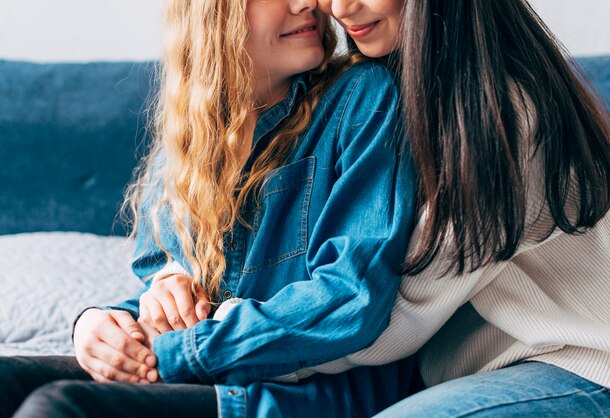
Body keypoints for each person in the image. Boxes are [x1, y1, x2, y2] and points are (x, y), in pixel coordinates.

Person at [0, 0, 420, 417]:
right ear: (211, 13)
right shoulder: (188, 145)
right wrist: (99, 327)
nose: (306, 3)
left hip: (306, 395)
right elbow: (175, 302)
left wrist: (168, 352)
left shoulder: (363, 97)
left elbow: (350, 299)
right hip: (201, 369)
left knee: (58, 407)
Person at [306, 0, 610, 416]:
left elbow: (392, 315)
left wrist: (221, 342)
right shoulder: (383, 98)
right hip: (507, 368)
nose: (341, 8)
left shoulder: (503, 116)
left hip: (595, 363)